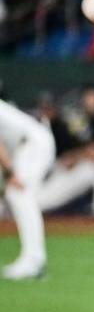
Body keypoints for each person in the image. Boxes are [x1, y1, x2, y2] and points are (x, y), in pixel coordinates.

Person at [0, 99, 56, 280]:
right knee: (19, 196)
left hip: (33, 143)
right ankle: (32, 259)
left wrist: (10, 173)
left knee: (19, 194)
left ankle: (34, 261)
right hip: (28, 144)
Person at [37, 94, 94, 218]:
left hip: (72, 169)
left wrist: (77, 156)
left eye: (49, 108)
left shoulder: (70, 126)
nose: (47, 112)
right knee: (39, 201)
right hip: (54, 170)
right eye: (44, 108)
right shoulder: (43, 128)